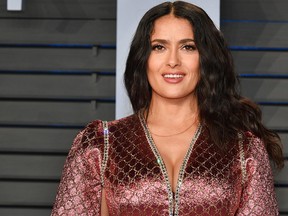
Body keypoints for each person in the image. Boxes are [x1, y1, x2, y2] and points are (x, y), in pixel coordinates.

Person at [51, 1, 284, 215]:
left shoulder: (244, 150)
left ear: (207, 59)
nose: (173, 60)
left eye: (188, 47)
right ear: (143, 58)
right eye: (159, 47)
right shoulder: (99, 144)